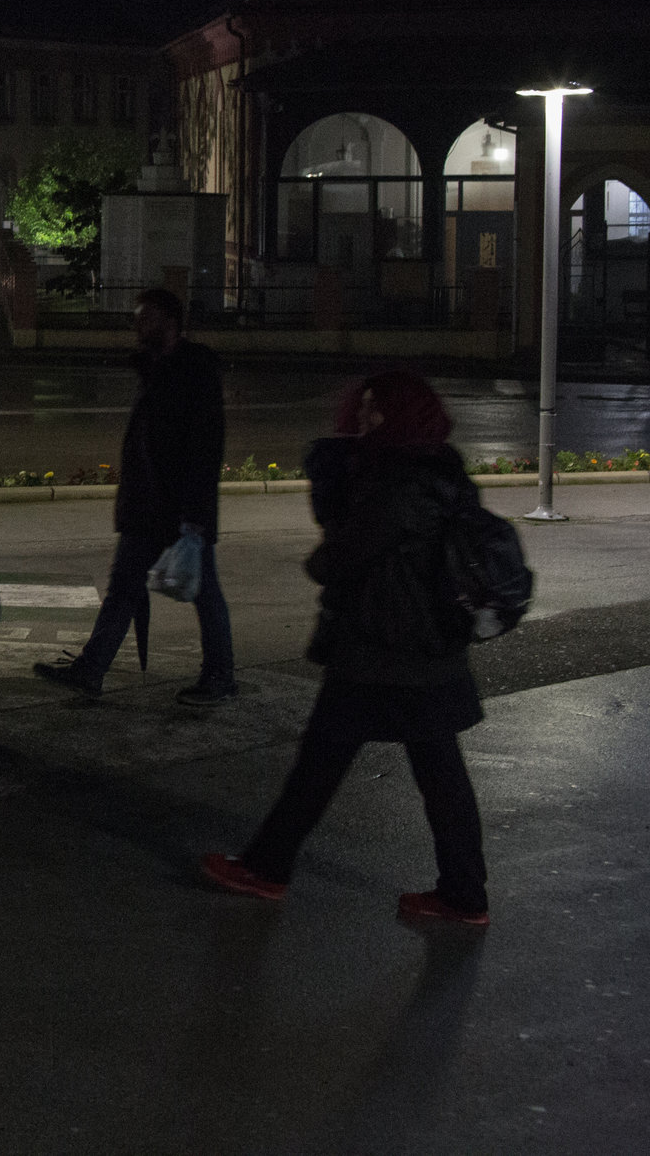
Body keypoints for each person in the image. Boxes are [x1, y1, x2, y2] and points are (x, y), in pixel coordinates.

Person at [202, 369, 493, 925]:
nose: (363, 419)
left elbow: (342, 557)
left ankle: (267, 868)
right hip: (429, 646)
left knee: (323, 762)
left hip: (381, 647)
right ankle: (464, 893)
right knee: (437, 775)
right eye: (361, 408)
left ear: (400, 414)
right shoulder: (443, 469)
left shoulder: (394, 479)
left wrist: (321, 555)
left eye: (374, 410)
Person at [34, 286, 237, 704]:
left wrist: (195, 515)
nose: (136, 325)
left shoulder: (193, 370)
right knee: (124, 588)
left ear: (170, 321)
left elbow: (204, 446)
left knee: (203, 592)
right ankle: (91, 669)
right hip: (147, 506)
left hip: (180, 509)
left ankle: (219, 676)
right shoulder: (155, 368)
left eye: (145, 318)